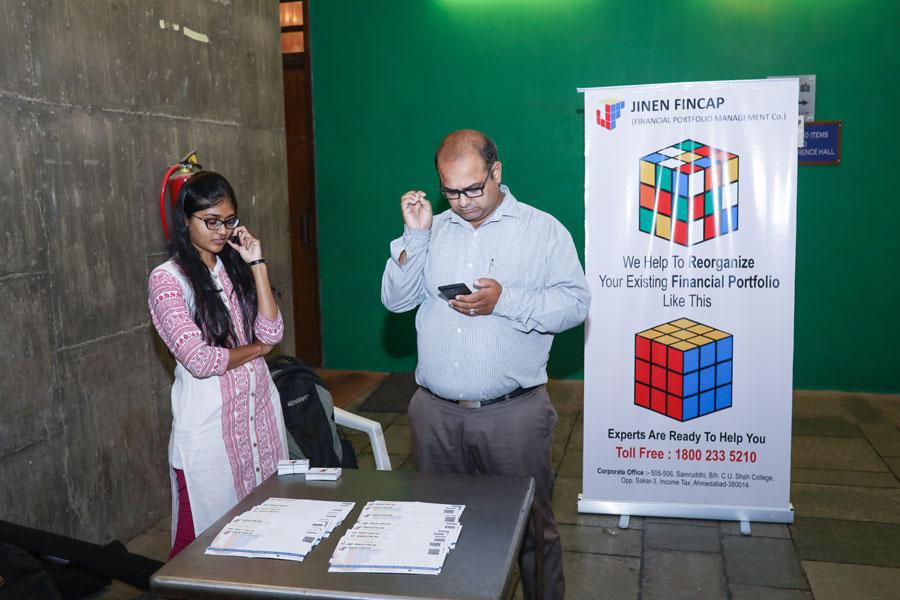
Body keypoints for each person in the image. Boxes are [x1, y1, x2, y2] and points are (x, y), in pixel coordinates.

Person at [381, 130, 590, 600]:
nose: (463, 202)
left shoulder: (542, 230)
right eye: (451, 192)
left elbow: (576, 305)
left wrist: (505, 301)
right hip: (435, 414)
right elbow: (395, 300)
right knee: (438, 528)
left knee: (533, 530)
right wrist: (414, 236)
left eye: (473, 188)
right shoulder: (430, 230)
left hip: (512, 416)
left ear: (496, 171)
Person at [148, 171, 287, 558]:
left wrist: (257, 263)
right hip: (210, 438)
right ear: (185, 219)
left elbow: (272, 332)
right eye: (211, 221)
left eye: (229, 221)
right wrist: (256, 351)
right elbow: (201, 359)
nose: (222, 231)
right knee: (200, 551)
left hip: (259, 422)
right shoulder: (168, 280)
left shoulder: (235, 266)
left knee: (266, 539)